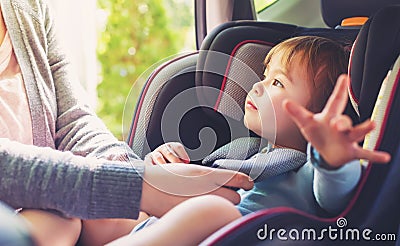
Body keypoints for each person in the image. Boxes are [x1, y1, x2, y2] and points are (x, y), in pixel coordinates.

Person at [0, 0, 254, 245]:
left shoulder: (28, 8)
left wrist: (137, 173)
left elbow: (73, 121)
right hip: (38, 216)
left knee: (102, 219)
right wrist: (138, 187)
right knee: (57, 224)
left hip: (57, 203)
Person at [112, 37, 391, 245]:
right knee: (113, 197)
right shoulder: (247, 151)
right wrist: (163, 165)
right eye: (264, 76)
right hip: (173, 227)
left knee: (211, 211)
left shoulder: (311, 168)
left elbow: (336, 195)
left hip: (239, 235)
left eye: (277, 83)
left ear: (318, 114)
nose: (258, 86)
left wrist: (334, 158)